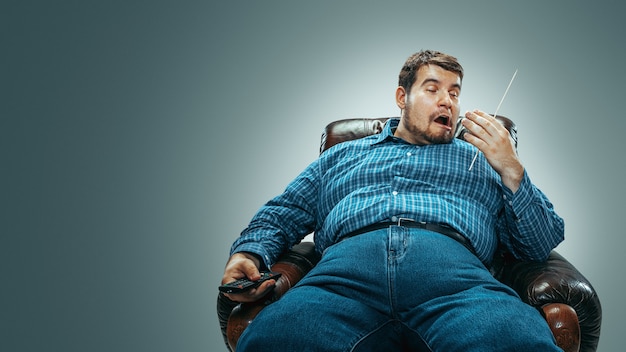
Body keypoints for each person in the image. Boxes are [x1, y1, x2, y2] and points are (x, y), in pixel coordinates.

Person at [220, 49, 565, 351]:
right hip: (342, 280)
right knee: (274, 340)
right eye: (433, 89)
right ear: (403, 97)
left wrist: (512, 169)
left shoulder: (483, 160)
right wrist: (248, 252)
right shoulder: (340, 157)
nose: (448, 101)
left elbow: (537, 245)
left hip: (455, 282)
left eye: (455, 93)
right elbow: (282, 213)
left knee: (516, 341)